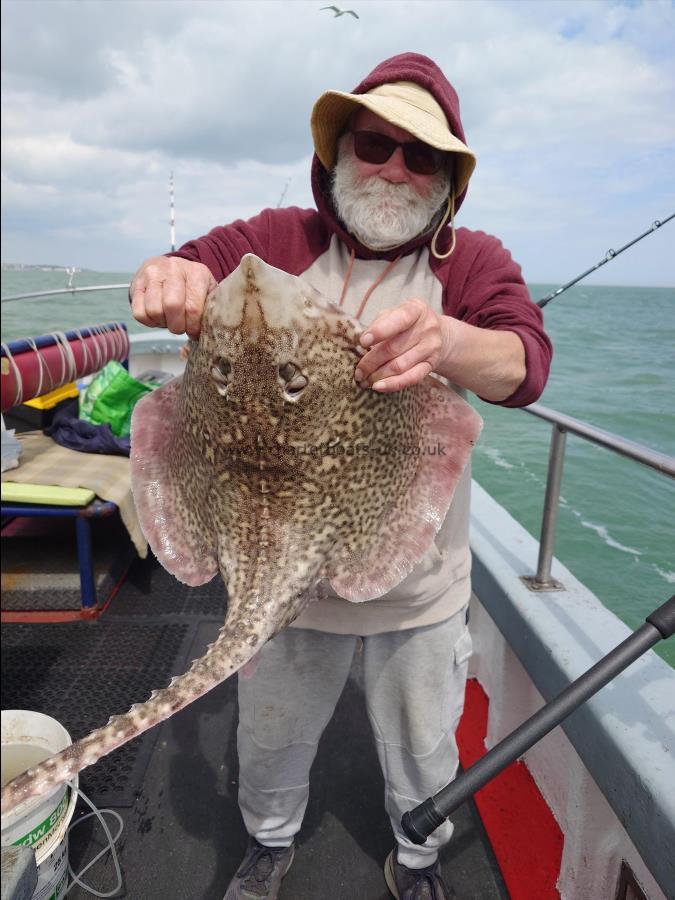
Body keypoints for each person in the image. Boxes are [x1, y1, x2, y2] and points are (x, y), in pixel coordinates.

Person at [131, 53, 552, 900]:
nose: (394, 167)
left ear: (448, 182)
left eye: (420, 156)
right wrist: (167, 274)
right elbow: (190, 265)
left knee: (424, 742)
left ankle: (419, 855)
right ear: (336, 154)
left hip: (417, 584)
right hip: (275, 569)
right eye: (373, 144)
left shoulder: (468, 263)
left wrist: (450, 341)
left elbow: (525, 363)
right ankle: (269, 843)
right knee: (272, 736)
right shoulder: (273, 242)